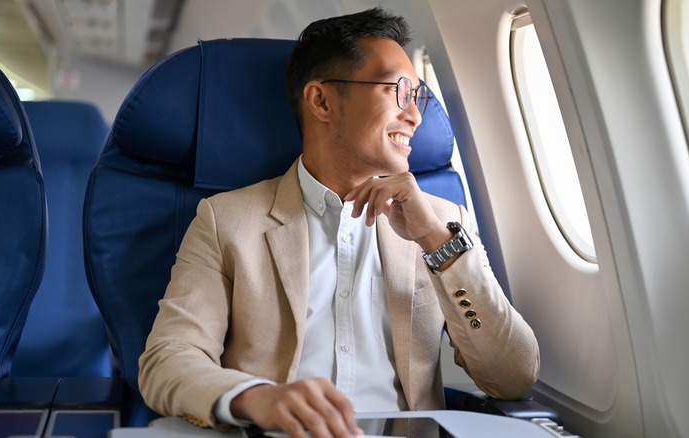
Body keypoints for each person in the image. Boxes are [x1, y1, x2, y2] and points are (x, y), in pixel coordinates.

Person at [138, 7, 539, 438]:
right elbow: (169, 358)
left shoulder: (444, 223)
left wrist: (436, 243)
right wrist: (255, 397)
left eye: (417, 96)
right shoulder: (227, 221)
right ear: (322, 101)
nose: (415, 116)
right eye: (398, 91)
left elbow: (513, 377)